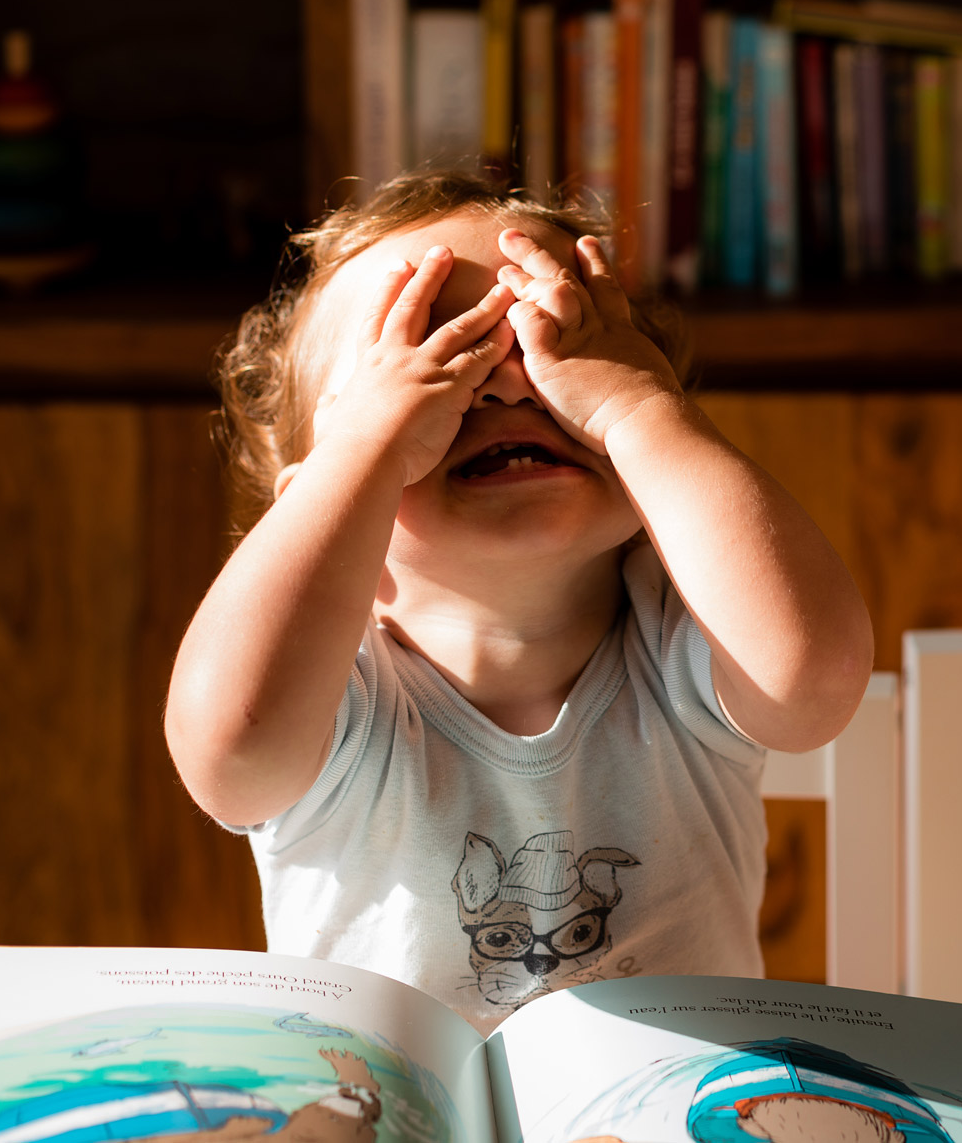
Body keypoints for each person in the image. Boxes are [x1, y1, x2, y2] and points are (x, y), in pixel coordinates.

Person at [165, 171, 874, 1031]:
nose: (505, 384)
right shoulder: (332, 702)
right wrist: (365, 454)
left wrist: (636, 406)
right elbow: (230, 748)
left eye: (560, 342)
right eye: (431, 355)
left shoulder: (683, 646)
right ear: (314, 503)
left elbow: (815, 675)